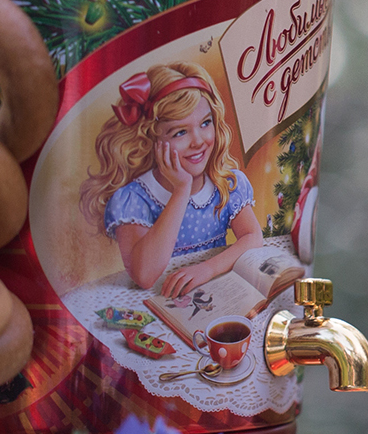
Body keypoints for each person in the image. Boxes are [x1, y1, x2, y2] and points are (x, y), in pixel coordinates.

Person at [78, 62, 262, 296]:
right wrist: (180, 190)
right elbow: (144, 276)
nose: (198, 141)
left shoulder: (226, 184)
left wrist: (207, 269)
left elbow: (253, 237)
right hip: (158, 304)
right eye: (180, 132)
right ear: (151, 140)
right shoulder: (134, 199)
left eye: (205, 123)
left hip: (215, 293)